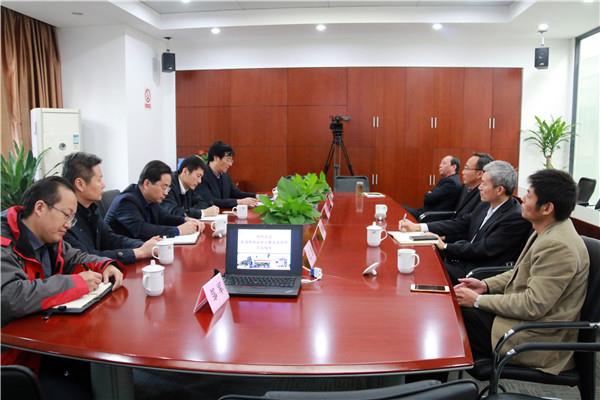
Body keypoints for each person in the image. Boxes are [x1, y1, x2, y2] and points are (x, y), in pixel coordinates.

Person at [454, 169, 589, 375]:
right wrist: (486, 285)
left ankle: (432, 386)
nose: (522, 200)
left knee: (454, 319)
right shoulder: (548, 228)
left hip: (534, 337)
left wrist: (477, 301)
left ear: (547, 208)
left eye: (528, 195)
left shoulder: (558, 245)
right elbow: (520, 272)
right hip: (521, 322)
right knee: (453, 314)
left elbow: (533, 305)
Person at [1, 176, 124, 327]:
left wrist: (105, 265)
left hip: (41, 328)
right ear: (40, 208)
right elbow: (9, 297)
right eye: (66, 215)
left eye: (72, 218)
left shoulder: (48, 238)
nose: (68, 225)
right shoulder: (4, 241)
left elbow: (76, 257)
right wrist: (75, 284)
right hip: (11, 343)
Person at [400, 160, 531, 284]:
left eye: (484, 184)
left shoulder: (514, 217)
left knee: (424, 271)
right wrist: (419, 227)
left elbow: (483, 250)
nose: (479, 187)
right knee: (421, 260)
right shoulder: (485, 204)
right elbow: (460, 223)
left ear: (499, 190)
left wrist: (445, 246)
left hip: (476, 273)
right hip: (463, 260)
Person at [62, 152, 160, 265]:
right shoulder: (65, 219)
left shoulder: (91, 209)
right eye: (99, 180)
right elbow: (87, 257)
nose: (103, 185)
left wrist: (143, 245)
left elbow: (111, 239)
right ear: (80, 184)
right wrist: (139, 252)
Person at [105, 160, 203, 240]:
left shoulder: (150, 199)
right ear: (147, 184)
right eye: (164, 187)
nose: (166, 193)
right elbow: (142, 230)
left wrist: (185, 220)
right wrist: (178, 230)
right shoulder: (126, 201)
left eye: (168, 188)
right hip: (119, 256)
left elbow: (163, 217)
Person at [195, 141, 258, 209]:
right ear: (216, 158)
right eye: (228, 160)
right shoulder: (201, 176)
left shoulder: (224, 175)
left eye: (231, 161)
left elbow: (235, 193)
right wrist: (239, 202)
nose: (230, 164)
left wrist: (257, 196)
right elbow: (210, 201)